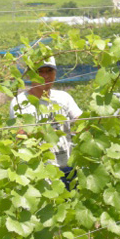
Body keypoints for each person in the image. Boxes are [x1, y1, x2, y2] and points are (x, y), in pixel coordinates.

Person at [9, 57, 82, 188]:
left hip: (68, 168)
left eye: (49, 71)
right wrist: (46, 132)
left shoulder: (63, 98)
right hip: (40, 171)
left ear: (55, 73)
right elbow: (19, 135)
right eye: (40, 72)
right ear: (30, 74)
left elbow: (82, 121)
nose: (45, 75)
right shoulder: (19, 102)